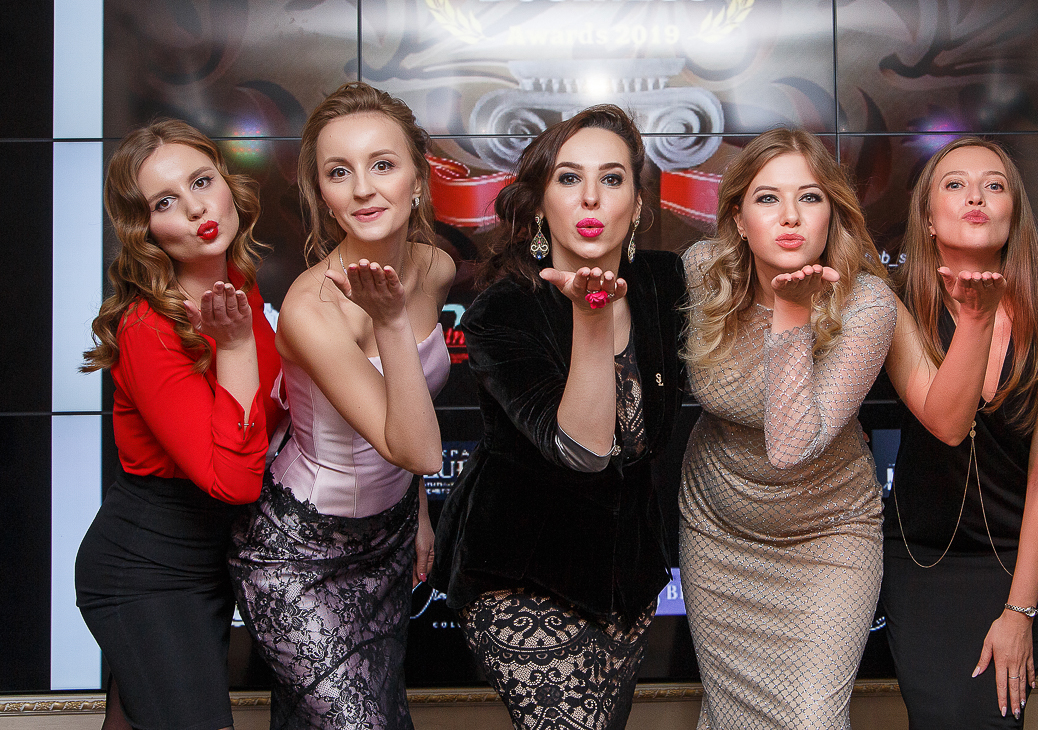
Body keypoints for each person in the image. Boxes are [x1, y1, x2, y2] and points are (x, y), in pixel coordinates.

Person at [432, 104, 686, 730]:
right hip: (524, 577)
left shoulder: (663, 282)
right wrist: (592, 317)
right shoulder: (502, 312)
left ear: (638, 204)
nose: (591, 196)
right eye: (569, 178)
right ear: (541, 204)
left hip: (628, 583)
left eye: (612, 178)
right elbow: (583, 449)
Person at [228, 82, 454, 729]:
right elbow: (419, 448)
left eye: (382, 164)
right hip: (298, 553)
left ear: (418, 178)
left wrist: (416, 512)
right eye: (338, 172)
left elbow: (403, 407)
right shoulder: (311, 309)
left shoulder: (435, 268)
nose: (362, 189)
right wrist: (389, 321)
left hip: (387, 542)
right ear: (321, 195)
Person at [678, 128, 901, 729]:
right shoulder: (704, 272)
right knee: (730, 717)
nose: (791, 216)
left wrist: (792, 314)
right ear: (738, 218)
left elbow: (791, 446)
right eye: (767, 198)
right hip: (719, 534)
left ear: (833, 212)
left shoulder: (866, 304)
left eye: (809, 197)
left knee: (811, 718)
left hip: (827, 539)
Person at [76, 119, 283, 730]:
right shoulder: (149, 327)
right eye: (165, 202)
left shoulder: (237, 288)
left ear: (228, 185)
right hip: (146, 569)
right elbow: (234, 481)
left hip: (208, 560)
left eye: (202, 181)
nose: (196, 208)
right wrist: (236, 346)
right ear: (144, 229)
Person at [879, 137, 1038, 728]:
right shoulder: (897, 308)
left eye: (994, 186)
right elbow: (946, 424)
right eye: (955, 185)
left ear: (1013, 214)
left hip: (1025, 556)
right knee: (940, 716)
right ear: (927, 217)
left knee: (995, 717)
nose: (976, 197)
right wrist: (975, 316)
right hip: (924, 558)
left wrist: (1020, 611)